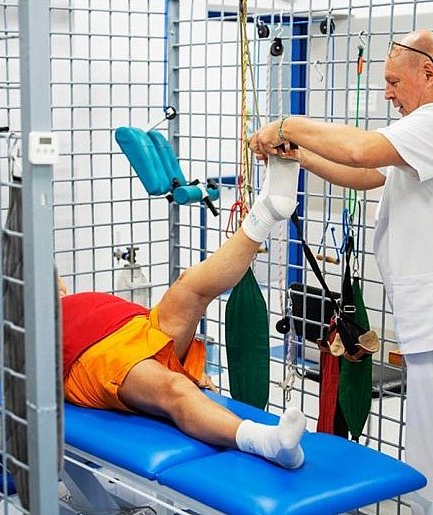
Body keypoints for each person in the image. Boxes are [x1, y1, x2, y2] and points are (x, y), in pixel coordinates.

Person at [249, 30, 433, 514]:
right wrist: (299, 155)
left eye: (393, 81)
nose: (387, 93)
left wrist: (286, 125)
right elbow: (368, 175)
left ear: (428, 73)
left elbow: (361, 151)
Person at [60, 155, 306, 469]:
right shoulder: (25, 323)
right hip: (98, 358)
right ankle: (268, 442)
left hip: (142, 329)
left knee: (190, 285)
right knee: (175, 389)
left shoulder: (71, 298)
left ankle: (267, 211)